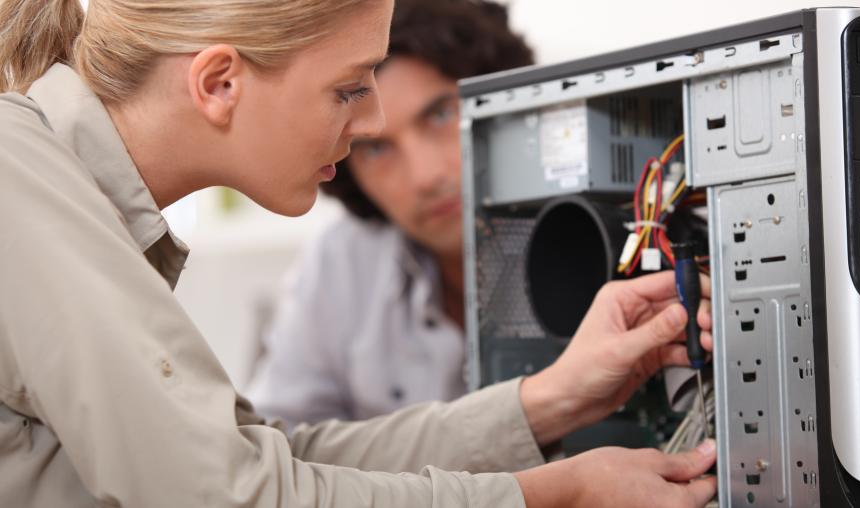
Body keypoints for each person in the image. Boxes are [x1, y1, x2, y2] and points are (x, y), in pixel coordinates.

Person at [0, 0, 717, 506]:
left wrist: (548, 402)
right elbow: (229, 495)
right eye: (350, 87)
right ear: (219, 83)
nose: (370, 120)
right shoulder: (18, 173)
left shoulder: (56, 187)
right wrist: (554, 496)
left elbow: (266, 466)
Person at [246, 0, 534, 427]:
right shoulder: (340, 262)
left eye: (439, 114)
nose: (425, 176)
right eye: (376, 148)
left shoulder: (613, 232)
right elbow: (275, 451)